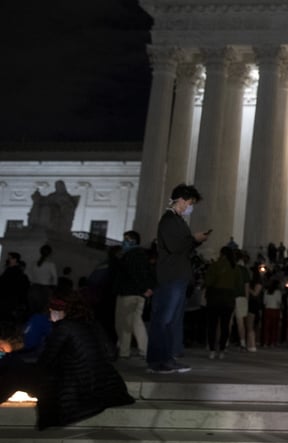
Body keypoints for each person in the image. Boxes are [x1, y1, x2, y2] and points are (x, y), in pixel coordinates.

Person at [22, 291, 135, 429]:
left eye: (51, 312)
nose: (50, 318)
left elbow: (46, 361)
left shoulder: (63, 328)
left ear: (59, 311)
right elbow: (111, 354)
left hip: (79, 390)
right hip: (109, 386)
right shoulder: (93, 324)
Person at [147, 183, 209, 374]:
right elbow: (175, 246)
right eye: (190, 203)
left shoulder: (178, 220)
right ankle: (159, 361)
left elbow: (182, 247)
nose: (190, 207)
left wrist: (193, 242)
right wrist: (194, 239)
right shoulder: (169, 220)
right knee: (164, 319)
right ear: (181, 200)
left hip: (178, 275)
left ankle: (166, 358)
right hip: (171, 276)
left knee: (170, 319)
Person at [111, 230, 156, 360]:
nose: (123, 242)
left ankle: (124, 351)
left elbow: (133, 273)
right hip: (138, 294)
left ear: (132, 241)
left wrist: (143, 288)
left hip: (128, 293)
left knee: (124, 324)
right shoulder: (142, 255)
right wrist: (149, 288)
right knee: (136, 322)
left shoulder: (130, 255)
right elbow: (148, 273)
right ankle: (145, 349)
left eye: (126, 239)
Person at [204, 245, 242, 359]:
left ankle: (211, 350)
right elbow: (239, 285)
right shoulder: (235, 268)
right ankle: (222, 350)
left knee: (212, 325)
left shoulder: (215, 265)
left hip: (214, 297)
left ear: (221, 254)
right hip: (228, 299)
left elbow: (208, 281)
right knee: (225, 325)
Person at [0, 252, 30, 324]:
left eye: (10, 258)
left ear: (15, 259)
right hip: (8, 296)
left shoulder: (14, 270)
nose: (8, 259)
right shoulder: (11, 269)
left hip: (10, 297)